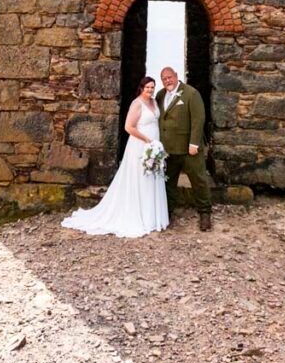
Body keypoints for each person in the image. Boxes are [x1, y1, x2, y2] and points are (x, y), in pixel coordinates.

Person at [61, 76, 169, 238]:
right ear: (141, 88)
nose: (150, 90)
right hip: (140, 145)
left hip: (154, 143)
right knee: (140, 178)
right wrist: (147, 140)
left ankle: (152, 217)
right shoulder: (136, 104)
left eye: (152, 87)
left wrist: (156, 143)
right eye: (147, 87)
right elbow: (128, 127)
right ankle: (138, 215)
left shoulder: (153, 102)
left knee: (152, 176)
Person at [156, 66, 212, 231]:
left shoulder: (190, 93)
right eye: (164, 79)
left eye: (170, 77)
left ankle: (205, 213)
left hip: (189, 149)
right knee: (168, 182)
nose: (167, 81)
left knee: (199, 180)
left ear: (176, 76)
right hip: (168, 149)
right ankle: (168, 212)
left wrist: (194, 143)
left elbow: (198, 119)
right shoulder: (160, 95)